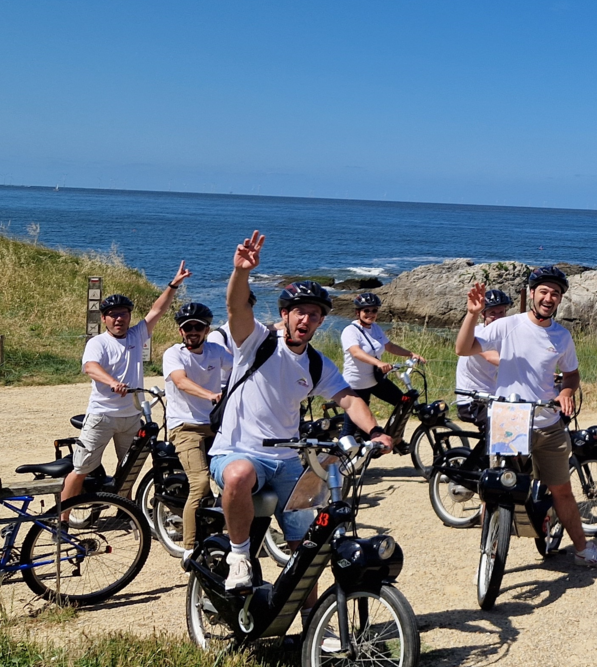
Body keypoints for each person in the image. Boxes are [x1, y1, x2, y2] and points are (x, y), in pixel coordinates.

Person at [207, 232, 393, 593]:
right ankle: (240, 555)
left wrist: (374, 432)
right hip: (237, 451)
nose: (306, 319)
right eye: (300, 312)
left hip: (289, 462)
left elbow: (349, 398)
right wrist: (241, 272)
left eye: (314, 314)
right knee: (240, 474)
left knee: (306, 552)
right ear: (285, 315)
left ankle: (310, 620)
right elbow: (236, 308)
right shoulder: (257, 342)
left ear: (321, 321)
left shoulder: (316, 363)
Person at [456, 265, 597, 569]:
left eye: (555, 293)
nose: (548, 297)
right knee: (497, 487)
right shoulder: (508, 326)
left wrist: (567, 392)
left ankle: (582, 549)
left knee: (562, 490)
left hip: (548, 422)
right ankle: (489, 551)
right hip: (510, 418)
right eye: (543, 291)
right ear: (532, 293)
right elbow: (463, 348)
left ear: (560, 299)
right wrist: (472, 315)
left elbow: (571, 374)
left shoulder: (561, 336)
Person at [61, 261, 191, 507]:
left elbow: (157, 310)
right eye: (113, 315)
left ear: (130, 316)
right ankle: (63, 518)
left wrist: (174, 285)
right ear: (104, 318)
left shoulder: (136, 335)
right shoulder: (98, 343)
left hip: (131, 416)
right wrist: (112, 382)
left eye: (123, 314)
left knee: (128, 469)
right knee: (81, 469)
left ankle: (125, 511)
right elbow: (90, 367)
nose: (118, 318)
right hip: (103, 415)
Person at [161, 300, 233, 552]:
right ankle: (190, 549)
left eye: (198, 327)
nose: (193, 331)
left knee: (236, 476)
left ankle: (232, 532)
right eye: (187, 327)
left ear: (207, 330)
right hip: (185, 427)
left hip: (214, 425)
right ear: (181, 330)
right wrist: (211, 395)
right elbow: (181, 382)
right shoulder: (174, 354)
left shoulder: (216, 351)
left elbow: (241, 368)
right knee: (200, 483)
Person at [340, 292, 421, 424]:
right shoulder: (350, 331)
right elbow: (356, 352)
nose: (370, 314)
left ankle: (394, 434)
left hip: (376, 380)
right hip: (357, 384)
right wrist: (378, 363)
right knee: (354, 427)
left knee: (403, 403)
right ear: (357, 312)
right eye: (366, 310)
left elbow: (390, 346)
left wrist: (411, 354)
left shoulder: (375, 328)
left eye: (374, 310)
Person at [455, 288, 512, 424]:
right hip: (471, 399)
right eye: (492, 313)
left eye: (501, 312)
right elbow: (491, 357)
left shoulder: (504, 335)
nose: (497, 318)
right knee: (502, 424)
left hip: (492, 397)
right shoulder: (478, 333)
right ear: (483, 314)